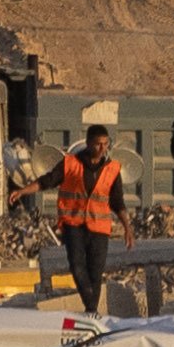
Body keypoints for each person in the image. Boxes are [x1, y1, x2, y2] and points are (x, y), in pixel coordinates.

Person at [16, 123, 132, 315]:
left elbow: (117, 201)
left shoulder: (112, 169)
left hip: (99, 227)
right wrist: (22, 191)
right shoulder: (70, 163)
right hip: (74, 225)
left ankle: (91, 311)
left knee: (95, 272)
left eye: (105, 144)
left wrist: (128, 227)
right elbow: (47, 181)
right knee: (78, 267)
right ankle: (92, 309)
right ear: (88, 144)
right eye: (98, 144)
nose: (102, 148)